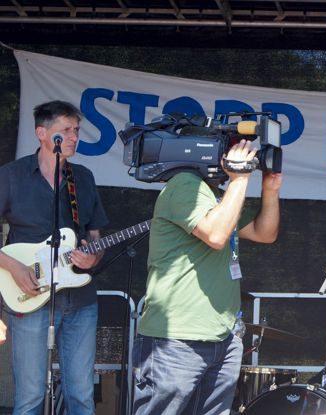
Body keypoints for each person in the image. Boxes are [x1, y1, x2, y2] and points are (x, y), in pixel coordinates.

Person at [132, 139, 282, 414]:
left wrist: (270, 189)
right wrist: (239, 179)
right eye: (230, 148)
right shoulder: (184, 184)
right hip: (178, 338)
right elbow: (215, 235)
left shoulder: (217, 194)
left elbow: (264, 233)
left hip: (223, 336)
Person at [0, 100, 108, 414]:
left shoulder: (82, 178)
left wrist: (93, 257)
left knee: (82, 396)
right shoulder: (11, 176)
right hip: (29, 297)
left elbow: (95, 235)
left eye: (76, 130)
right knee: (30, 397)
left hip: (80, 301)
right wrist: (13, 266)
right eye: (66, 130)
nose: (74, 137)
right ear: (42, 134)